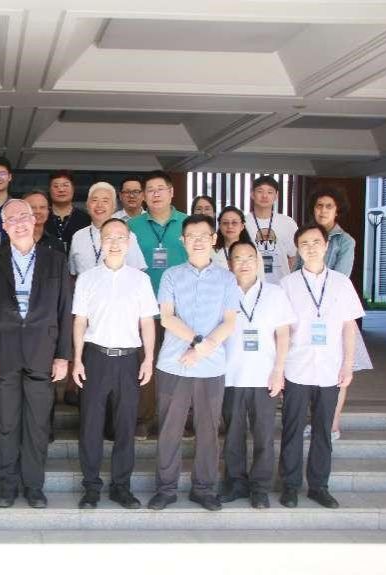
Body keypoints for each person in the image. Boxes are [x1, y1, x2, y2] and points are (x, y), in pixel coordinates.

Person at [0, 199, 73, 509]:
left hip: (43, 351)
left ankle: (33, 486)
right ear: (4, 226)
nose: (19, 223)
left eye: (24, 217)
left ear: (34, 220)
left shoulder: (56, 260)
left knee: (38, 423)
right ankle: (6, 485)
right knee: (5, 422)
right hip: (3, 352)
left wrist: (63, 355)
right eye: (12, 219)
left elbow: (65, 310)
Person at [147, 214, 240, 512]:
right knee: (169, 429)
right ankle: (166, 488)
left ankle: (204, 489)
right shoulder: (171, 275)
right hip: (174, 364)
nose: (198, 240)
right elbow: (167, 317)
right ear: (183, 241)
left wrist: (201, 350)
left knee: (209, 429)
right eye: (191, 236)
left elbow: (229, 321)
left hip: (211, 368)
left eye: (204, 235)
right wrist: (199, 343)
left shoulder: (227, 278)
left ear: (214, 239)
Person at [72, 218, 158, 510]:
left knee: (125, 425)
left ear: (129, 242)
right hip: (95, 358)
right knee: (91, 425)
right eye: (108, 237)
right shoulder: (87, 278)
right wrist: (77, 360)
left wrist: (148, 358)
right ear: (100, 241)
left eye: (121, 237)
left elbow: (147, 322)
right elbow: (80, 321)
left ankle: (121, 486)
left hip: (128, 360)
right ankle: (91, 486)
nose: (115, 242)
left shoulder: (140, 280)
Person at [278, 224, 364, 510]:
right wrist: (278, 368)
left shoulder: (342, 283)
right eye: (304, 243)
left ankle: (319, 487)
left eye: (316, 242)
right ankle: (290, 486)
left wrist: (348, 365)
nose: (311, 247)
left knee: (323, 431)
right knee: (291, 429)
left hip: (330, 368)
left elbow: (349, 327)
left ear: (326, 246)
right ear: (298, 249)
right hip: (296, 367)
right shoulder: (287, 284)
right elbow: (281, 330)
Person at [221, 239, 295, 509]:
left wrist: (279, 370)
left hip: (265, 376)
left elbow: (283, 334)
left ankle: (260, 488)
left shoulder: (274, 293)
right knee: (233, 435)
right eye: (238, 258)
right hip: (230, 376)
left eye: (249, 257)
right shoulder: (223, 292)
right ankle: (235, 483)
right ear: (230, 264)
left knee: (263, 435)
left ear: (258, 260)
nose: (244, 263)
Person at [299, 187, 369, 441]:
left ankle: (333, 424)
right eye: (319, 205)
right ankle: (314, 419)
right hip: (307, 315)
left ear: (337, 210)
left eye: (329, 206)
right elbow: (298, 273)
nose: (323, 210)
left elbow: (341, 277)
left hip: (335, 315)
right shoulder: (306, 236)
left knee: (338, 372)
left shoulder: (345, 241)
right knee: (309, 368)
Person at [128, 170, 188, 438]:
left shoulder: (187, 223)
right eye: (150, 190)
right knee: (145, 363)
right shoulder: (132, 226)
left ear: (171, 192)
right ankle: (144, 417)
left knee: (179, 363)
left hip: (181, 309)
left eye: (160, 189)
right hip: (144, 309)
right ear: (143, 195)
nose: (155, 194)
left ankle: (180, 419)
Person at [68, 182, 148, 277]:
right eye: (94, 200)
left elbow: (137, 273)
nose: (99, 205)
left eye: (105, 201)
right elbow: (72, 274)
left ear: (114, 206)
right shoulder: (78, 236)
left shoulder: (128, 236)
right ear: (87, 205)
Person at [244, 175, 298, 283]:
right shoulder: (243, 223)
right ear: (252, 194)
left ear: (276, 196)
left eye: (270, 192)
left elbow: (294, 257)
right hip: (251, 285)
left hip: (281, 285)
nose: (264, 196)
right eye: (260, 191)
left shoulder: (288, 223)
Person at [44, 170, 91, 253]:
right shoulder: (42, 217)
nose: (61, 189)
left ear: (73, 189)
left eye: (65, 185)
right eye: (56, 186)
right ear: (49, 190)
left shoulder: (86, 219)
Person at [212, 207, 264, 272]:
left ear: (242, 226)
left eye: (234, 223)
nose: (230, 226)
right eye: (225, 223)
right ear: (219, 226)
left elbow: (260, 277)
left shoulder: (253, 251)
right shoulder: (211, 252)